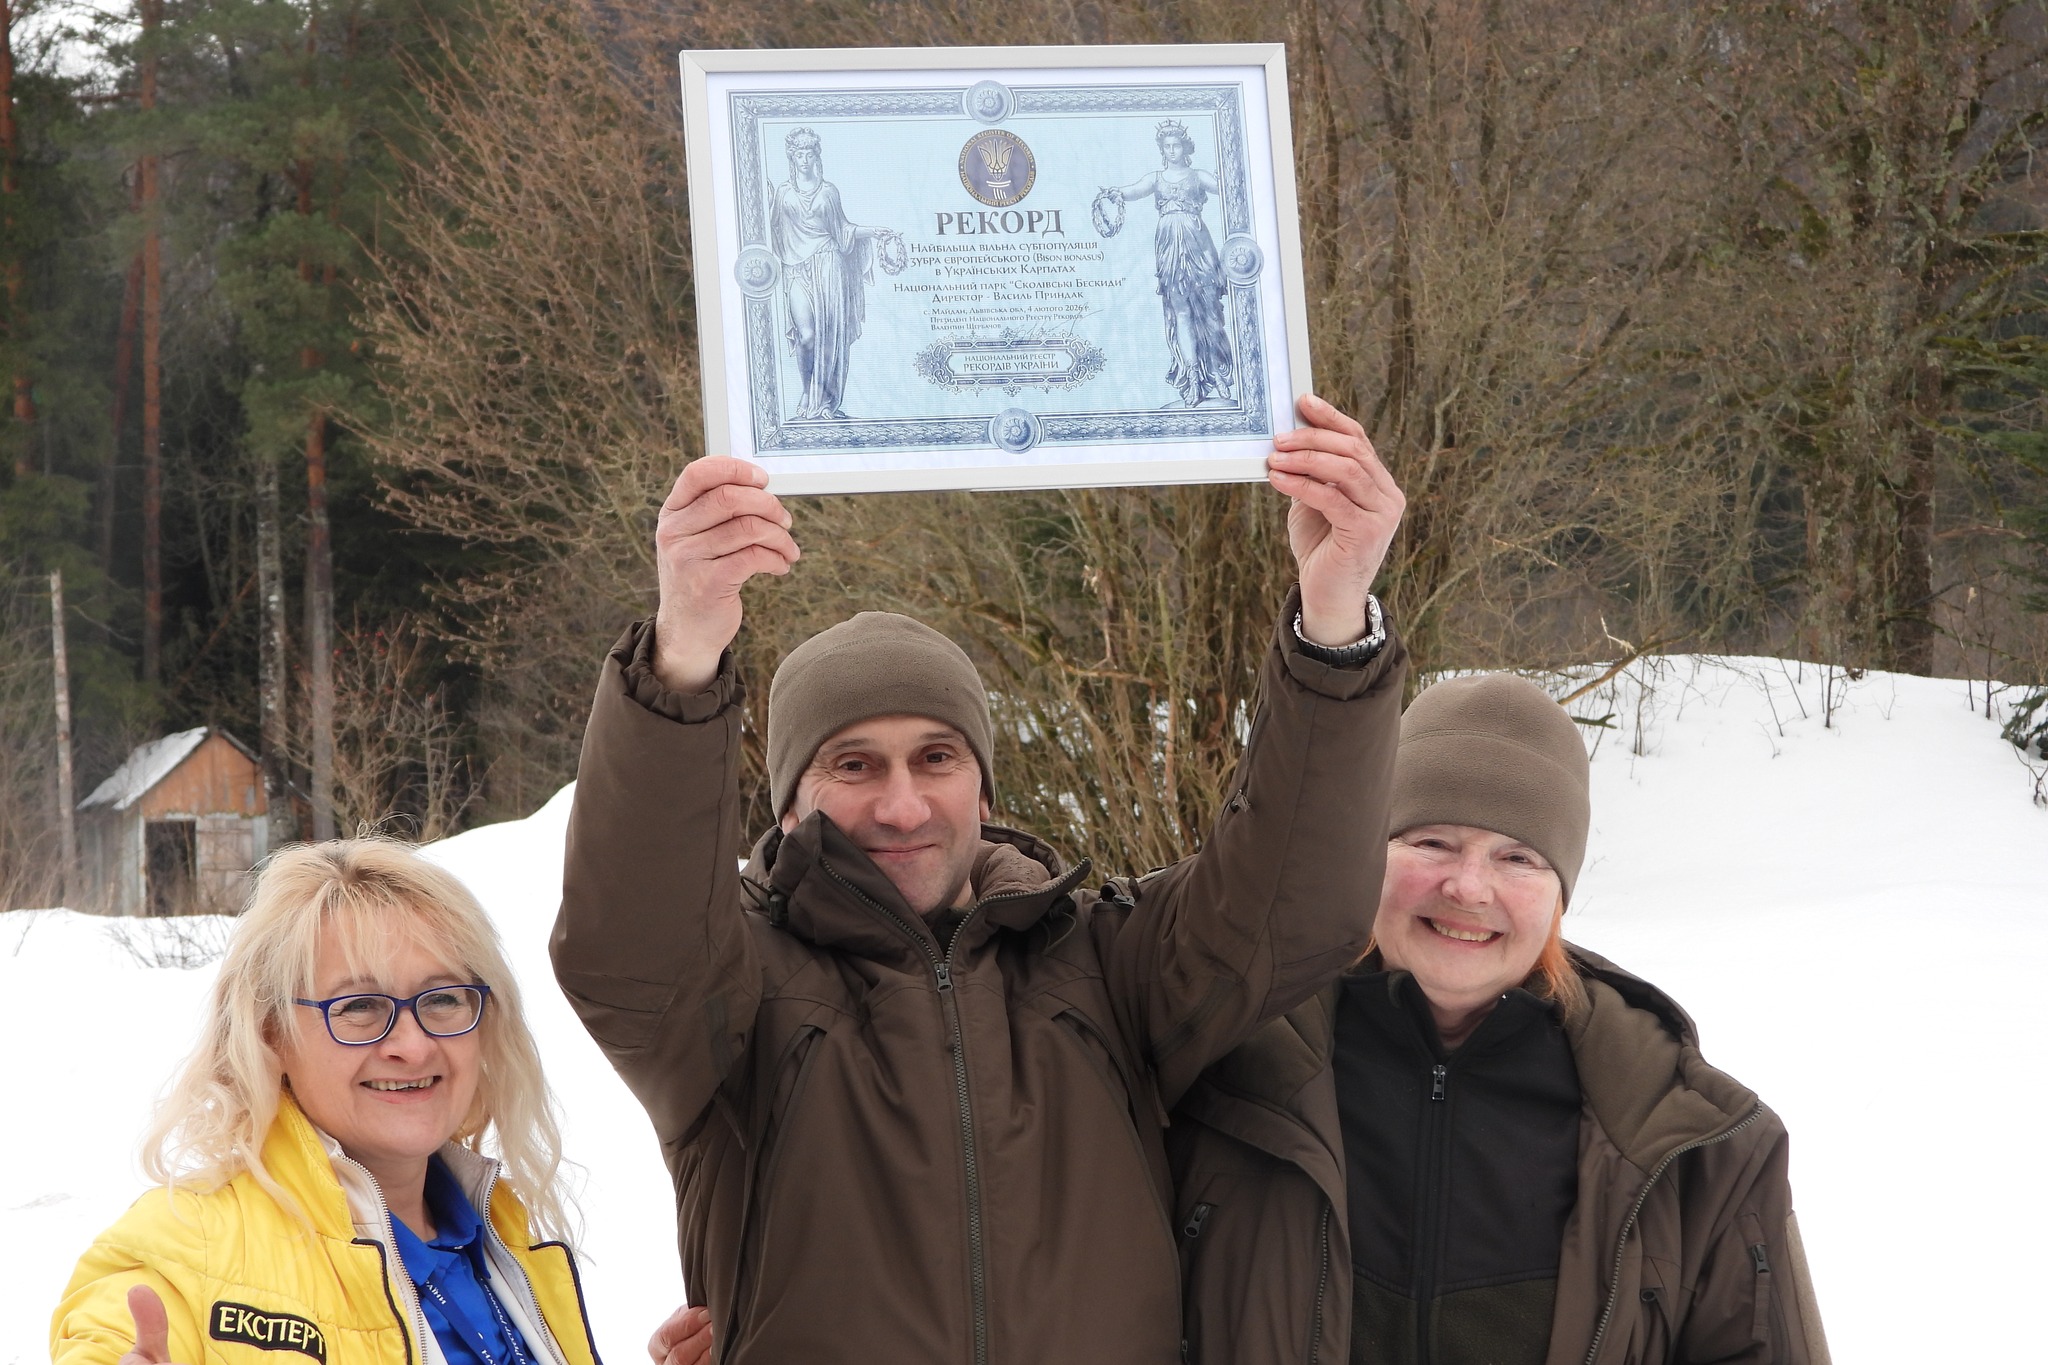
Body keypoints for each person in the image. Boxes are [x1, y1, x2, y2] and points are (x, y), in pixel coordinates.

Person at [551, 394, 1408, 1365]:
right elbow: (630, 949)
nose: (902, 805)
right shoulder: (736, 997)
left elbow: (1294, 904)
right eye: (853, 765)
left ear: (985, 788)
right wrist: (684, 652)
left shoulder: (1106, 964)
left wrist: (1334, 620)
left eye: (936, 758)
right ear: (787, 806)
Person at [1169, 674, 1832, 1365]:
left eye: (1518, 857)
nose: (1468, 887)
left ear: (1558, 894)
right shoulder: (1223, 1071)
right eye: (1432, 842)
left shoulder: (1700, 1146)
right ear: (1370, 854)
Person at [51, 840, 602, 1365]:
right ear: (270, 1035)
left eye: (441, 999)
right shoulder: (185, 1246)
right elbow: (110, 1337)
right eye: (358, 1006)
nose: (413, 1047)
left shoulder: (506, 1241)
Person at [1103, 119, 1233, 408]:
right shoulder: (1156, 178)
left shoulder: (1197, 176)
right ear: (1162, 150)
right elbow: (1134, 190)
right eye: (1167, 147)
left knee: (1210, 312)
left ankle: (1216, 373)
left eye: (1176, 145)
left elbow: (1227, 187)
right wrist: (1116, 192)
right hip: (1169, 247)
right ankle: (1193, 378)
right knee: (1181, 312)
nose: (1172, 150)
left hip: (1198, 245)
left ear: (1185, 147)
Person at [772, 126, 893, 420]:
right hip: (796, 269)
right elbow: (771, 229)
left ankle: (824, 399)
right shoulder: (783, 192)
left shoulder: (829, 192)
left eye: (809, 154)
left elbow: (843, 231)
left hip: (828, 265)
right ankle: (806, 391)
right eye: (799, 154)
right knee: (807, 336)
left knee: (829, 337)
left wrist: (873, 232)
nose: (804, 160)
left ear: (816, 157)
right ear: (792, 157)